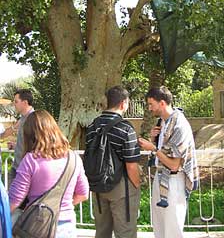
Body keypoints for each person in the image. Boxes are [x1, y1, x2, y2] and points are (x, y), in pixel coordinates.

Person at [8, 110, 89, 238]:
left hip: (38, 227)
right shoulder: (73, 158)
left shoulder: (30, 160)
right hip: (66, 227)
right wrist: (59, 205)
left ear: (29, 135)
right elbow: (83, 194)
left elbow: (15, 199)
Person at [139, 86, 198, 238]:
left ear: (163, 103)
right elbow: (163, 151)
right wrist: (154, 140)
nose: (150, 108)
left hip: (173, 181)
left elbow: (174, 164)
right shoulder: (163, 122)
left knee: (172, 230)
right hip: (161, 179)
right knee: (160, 228)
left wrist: (152, 148)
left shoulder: (179, 125)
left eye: (152, 104)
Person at [85, 86, 140, 238]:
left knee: (102, 231)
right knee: (125, 232)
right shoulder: (125, 128)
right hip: (121, 188)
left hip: (97, 185)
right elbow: (131, 165)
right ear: (123, 104)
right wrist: (137, 185)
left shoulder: (92, 126)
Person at [6, 89, 34, 187]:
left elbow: (37, 144)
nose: (14, 104)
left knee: (17, 200)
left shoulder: (34, 119)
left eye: (16, 101)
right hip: (17, 166)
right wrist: (16, 145)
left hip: (26, 170)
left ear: (25, 102)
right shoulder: (23, 118)